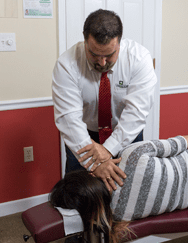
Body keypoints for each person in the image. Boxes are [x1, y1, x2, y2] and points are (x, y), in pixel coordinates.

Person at [50, 134, 188, 242]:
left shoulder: (116, 215)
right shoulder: (131, 155)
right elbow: (181, 143)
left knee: (176, 172)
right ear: (91, 175)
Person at [52, 9, 157, 181]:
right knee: (78, 195)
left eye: (109, 55)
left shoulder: (139, 59)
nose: (102, 62)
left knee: (131, 190)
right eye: (94, 54)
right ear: (85, 41)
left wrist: (107, 150)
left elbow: (136, 113)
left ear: (119, 44)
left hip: (126, 132)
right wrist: (97, 162)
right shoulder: (66, 64)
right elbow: (69, 118)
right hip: (84, 137)